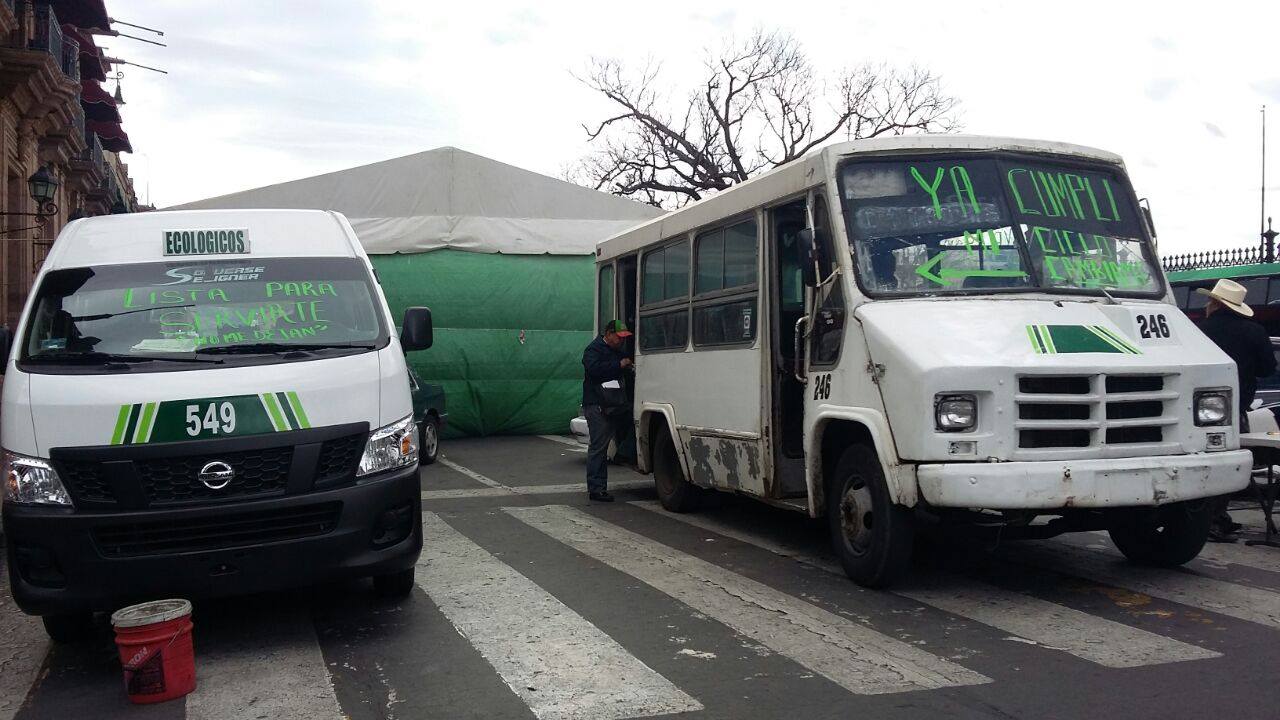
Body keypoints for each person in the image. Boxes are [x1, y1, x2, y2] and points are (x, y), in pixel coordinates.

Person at [1196, 278, 1276, 541]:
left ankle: (1202, 518)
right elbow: (1266, 369)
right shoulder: (1254, 331)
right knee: (1228, 463)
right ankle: (1217, 517)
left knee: (1199, 462)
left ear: (1215, 303)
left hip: (1197, 410)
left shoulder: (1198, 330)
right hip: (1235, 408)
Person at [581, 320, 634, 502]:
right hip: (597, 405)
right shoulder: (593, 350)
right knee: (598, 447)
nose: (620, 341)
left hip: (614, 404)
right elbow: (594, 370)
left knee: (633, 422)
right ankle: (596, 488)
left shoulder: (616, 351)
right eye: (618, 337)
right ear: (609, 333)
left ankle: (624, 453)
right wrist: (618, 365)